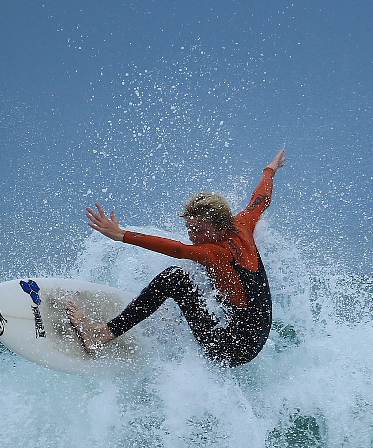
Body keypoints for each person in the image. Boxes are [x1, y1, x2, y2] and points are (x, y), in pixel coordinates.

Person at [68, 149, 286, 367]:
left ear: (219, 225)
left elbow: (178, 250)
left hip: (229, 349)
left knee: (175, 278)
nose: (192, 236)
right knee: (195, 282)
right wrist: (270, 170)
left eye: (198, 229)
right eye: (189, 229)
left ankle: (103, 334)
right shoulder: (243, 223)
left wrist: (122, 235)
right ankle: (170, 315)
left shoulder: (215, 252)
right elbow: (261, 198)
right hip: (254, 339)